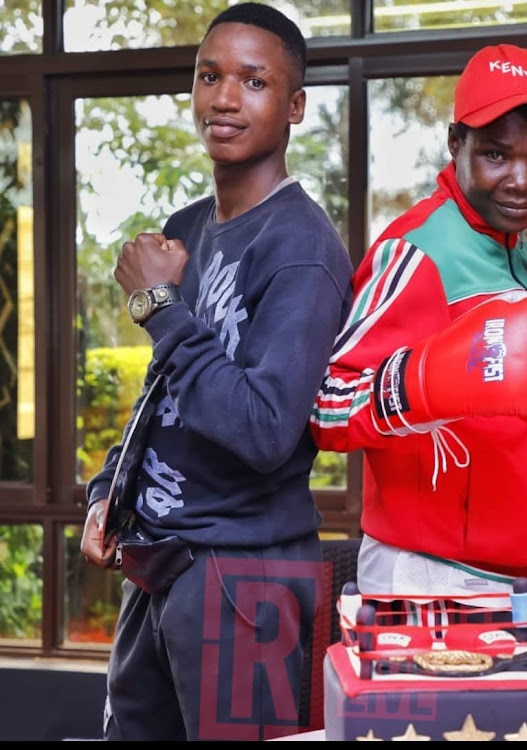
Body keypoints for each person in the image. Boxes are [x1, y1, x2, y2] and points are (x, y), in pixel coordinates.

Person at [80, 2, 353, 741]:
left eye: (254, 81)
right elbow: (164, 393)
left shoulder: (303, 245)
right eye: (209, 76)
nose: (224, 99)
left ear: (294, 105)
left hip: (246, 579)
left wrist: (159, 304)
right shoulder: (187, 229)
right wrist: (113, 489)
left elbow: (266, 429)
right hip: (161, 564)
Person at [310, 44, 527, 628]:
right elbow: (327, 408)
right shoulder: (416, 251)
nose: (523, 179)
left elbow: (509, 397)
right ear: (455, 144)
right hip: (433, 583)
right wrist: (417, 384)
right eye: (496, 154)